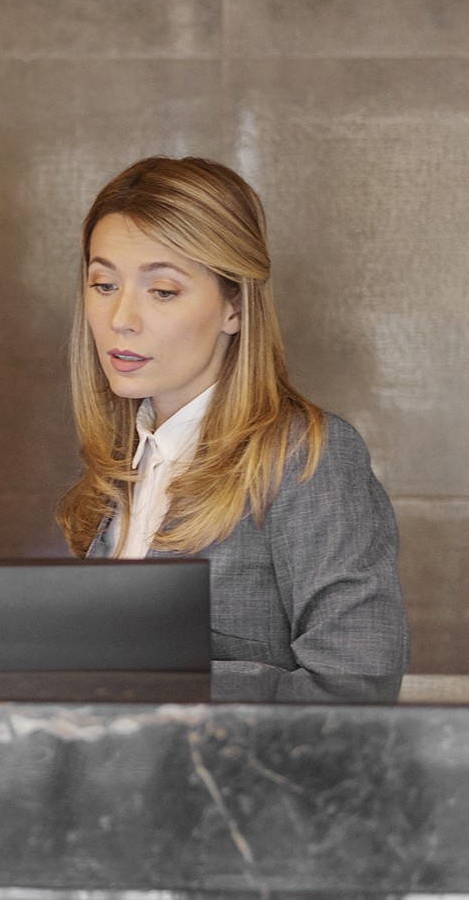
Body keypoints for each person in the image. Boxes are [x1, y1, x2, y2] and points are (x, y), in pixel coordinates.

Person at [58, 156, 408, 701]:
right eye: (103, 284)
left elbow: (354, 691)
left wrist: (145, 686)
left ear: (235, 306)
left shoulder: (307, 457)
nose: (121, 318)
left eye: (163, 291)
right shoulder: (121, 461)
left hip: (231, 785)